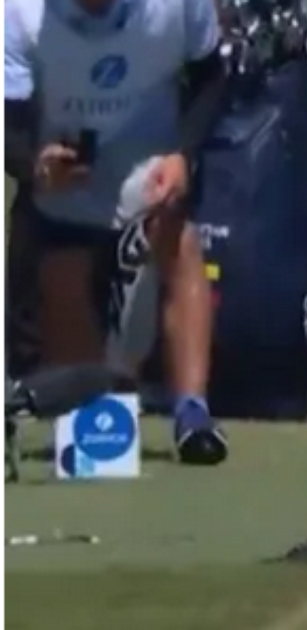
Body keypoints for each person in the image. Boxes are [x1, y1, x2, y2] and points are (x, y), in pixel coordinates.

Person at [5, 0, 232, 464]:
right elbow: (7, 121)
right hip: (67, 189)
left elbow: (213, 77)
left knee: (181, 240)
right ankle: (97, 421)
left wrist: (183, 155)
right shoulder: (17, 13)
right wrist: (34, 165)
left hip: (152, 173)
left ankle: (193, 413)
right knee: (62, 277)